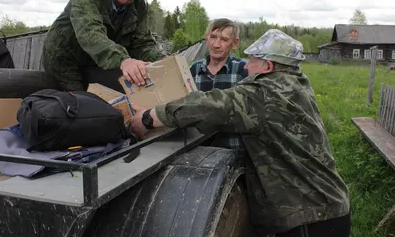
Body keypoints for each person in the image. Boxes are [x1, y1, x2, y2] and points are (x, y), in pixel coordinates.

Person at [129, 29, 351, 237]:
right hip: (325, 207)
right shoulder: (297, 84)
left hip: (309, 218)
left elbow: (210, 106)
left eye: (253, 61)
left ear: (268, 67)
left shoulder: (264, 95)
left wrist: (149, 117)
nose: (246, 66)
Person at [41, 0, 165, 92]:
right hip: (65, 59)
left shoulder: (138, 5)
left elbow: (142, 43)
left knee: (118, 99)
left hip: (97, 62)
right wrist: (124, 60)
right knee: (79, 105)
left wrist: (163, 61)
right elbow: (90, 34)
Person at [190, 18, 248, 150]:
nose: (216, 44)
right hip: (198, 148)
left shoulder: (243, 69)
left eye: (224, 39)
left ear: (234, 43)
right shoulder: (194, 69)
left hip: (232, 149)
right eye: (213, 37)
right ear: (207, 38)